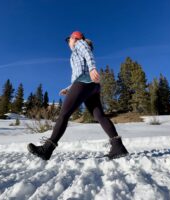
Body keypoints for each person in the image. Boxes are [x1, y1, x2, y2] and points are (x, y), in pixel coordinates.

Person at [27, 31, 128, 160]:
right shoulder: (77, 52)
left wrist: (92, 68)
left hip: (84, 82)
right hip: (92, 86)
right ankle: (118, 146)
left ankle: (47, 149)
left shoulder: (80, 44)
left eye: (68, 40)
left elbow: (88, 55)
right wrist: (69, 88)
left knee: (64, 114)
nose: (68, 43)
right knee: (99, 116)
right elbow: (80, 72)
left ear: (74, 38)